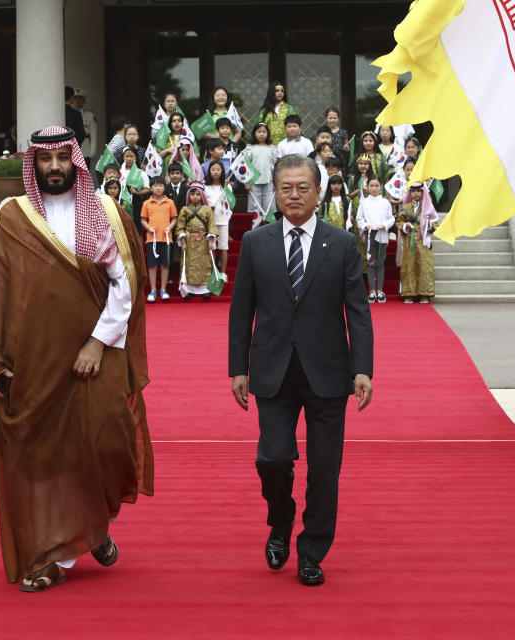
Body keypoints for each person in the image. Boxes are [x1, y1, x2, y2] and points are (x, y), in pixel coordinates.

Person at [0, 125, 153, 592]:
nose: (55, 167)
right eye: (46, 159)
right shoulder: (12, 216)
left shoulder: (106, 211)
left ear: (76, 160)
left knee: (105, 441)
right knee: (44, 456)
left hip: (97, 355)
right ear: (34, 164)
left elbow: (126, 284)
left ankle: (94, 525)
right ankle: (52, 556)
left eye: (62, 158)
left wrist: (98, 342)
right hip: (35, 361)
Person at [228, 153, 374, 587]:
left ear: (318, 192)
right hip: (272, 370)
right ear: (275, 193)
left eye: (302, 188)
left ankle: (312, 551)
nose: (294, 195)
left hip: (328, 371)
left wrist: (362, 368)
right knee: (272, 459)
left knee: (325, 469)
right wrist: (239, 367)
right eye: (286, 188)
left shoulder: (343, 243)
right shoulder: (257, 243)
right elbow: (242, 311)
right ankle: (281, 519)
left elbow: (358, 312)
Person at [356, 176, 396, 303]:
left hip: (381, 234)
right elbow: (359, 218)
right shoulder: (364, 202)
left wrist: (385, 225)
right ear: (367, 187)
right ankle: (372, 290)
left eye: (376, 185)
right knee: (370, 262)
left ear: (381, 187)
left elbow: (391, 218)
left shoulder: (385, 202)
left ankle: (380, 290)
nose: (374, 188)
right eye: (371, 185)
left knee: (380, 262)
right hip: (369, 234)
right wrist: (364, 225)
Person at [398, 183, 439, 303]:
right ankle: (409, 293)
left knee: (424, 266)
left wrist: (428, 225)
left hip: (423, 242)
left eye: (418, 191)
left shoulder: (429, 208)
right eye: (413, 191)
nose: (415, 193)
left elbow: (436, 223)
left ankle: (424, 293)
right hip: (409, 241)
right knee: (409, 265)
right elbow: (399, 222)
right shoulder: (406, 208)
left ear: (423, 192)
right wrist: (406, 225)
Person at [176, 182, 218, 299]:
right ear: (188, 195)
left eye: (198, 194)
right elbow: (180, 227)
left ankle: (205, 289)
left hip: (204, 241)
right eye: (192, 194)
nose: (195, 196)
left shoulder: (207, 210)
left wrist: (210, 241)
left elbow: (212, 226)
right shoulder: (184, 210)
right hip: (189, 242)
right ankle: (188, 289)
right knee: (188, 265)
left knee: (204, 265)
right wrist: (183, 242)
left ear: (202, 196)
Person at [140, 176, 178, 303]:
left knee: (165, 265)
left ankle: (163, 289)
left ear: (164, 187)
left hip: (166, 239)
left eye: (160, 185)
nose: (158, 188)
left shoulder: (170, 202)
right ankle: (153, 290)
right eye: (155, 186)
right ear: (151, 188)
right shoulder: (147, 203)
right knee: (152, 265)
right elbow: (143, 220)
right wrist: (148, 227)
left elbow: (174, 218)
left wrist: (170, 227)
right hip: (152, 239)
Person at [244, 122, 278, 227]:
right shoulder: (250, 148)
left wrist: (276, 182)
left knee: (269, 206)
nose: (261, 134)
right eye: (259, 132)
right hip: (253, 181)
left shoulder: (272, 148)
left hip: (269, 180)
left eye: (264, 132)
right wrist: (246, 182)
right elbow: (245, 166)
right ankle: (256, 228)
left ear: (268, 133)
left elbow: (275, 166)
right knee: (256, 206)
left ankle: (270, 227)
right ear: (254, 133)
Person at [204, 161, 232, 274]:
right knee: (212, 248)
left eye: (218, 169)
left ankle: (223, 273)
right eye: (213, 169)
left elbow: (230, 203)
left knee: (223, 247)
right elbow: (203, 205)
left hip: (224, 221)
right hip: (210, 222)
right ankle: (213, 272)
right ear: (209, 171)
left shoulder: (226, 186)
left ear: (222, 171)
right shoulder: (205, 187)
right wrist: (208, 209)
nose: (215, 172)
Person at [72, 89, 98, 167]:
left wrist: (92, 151)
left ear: (84, 101)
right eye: (76, 98)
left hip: (85, 149)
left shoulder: (89, 115)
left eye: (80, 99)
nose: (78, 101)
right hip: (72, 148)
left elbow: (93, 134)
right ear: (73, 99)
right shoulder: (70, 114)